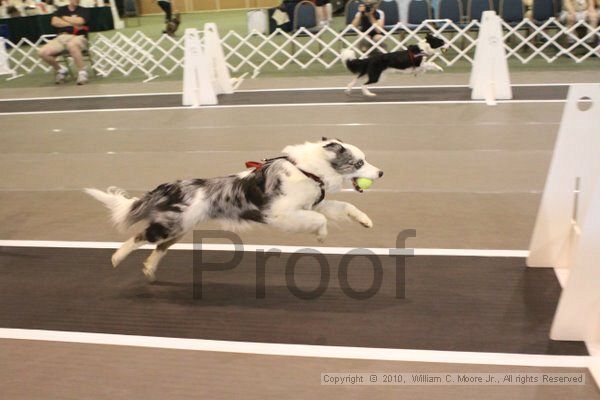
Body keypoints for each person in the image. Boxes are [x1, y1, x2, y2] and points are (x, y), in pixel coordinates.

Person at [37, 0, 90, 84]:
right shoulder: (61, 10)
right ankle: (61, 70)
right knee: (42, 52)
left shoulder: (84, 10)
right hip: (61, 37)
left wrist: (64, 18)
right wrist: (73, 24)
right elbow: (54, 22)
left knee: (71, 45)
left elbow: (81, 21)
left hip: (78, 37)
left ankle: (82, 72)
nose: (77, 0)